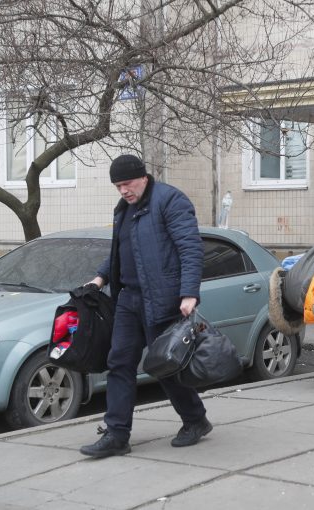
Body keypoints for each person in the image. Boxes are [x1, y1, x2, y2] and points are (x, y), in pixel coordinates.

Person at [79, 154, 209, 458]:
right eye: (118, 186)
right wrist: (100, 277)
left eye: (127, 183)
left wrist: (189, 293)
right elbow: (121, 251)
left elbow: (190, 248)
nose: (123, 190)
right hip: (128, 299)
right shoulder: (124, 208)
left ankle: (195, 420)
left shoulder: (170, 200)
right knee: (119, 363)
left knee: (165, 365)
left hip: (162, 298)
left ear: (143, 177)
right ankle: (116, 434)